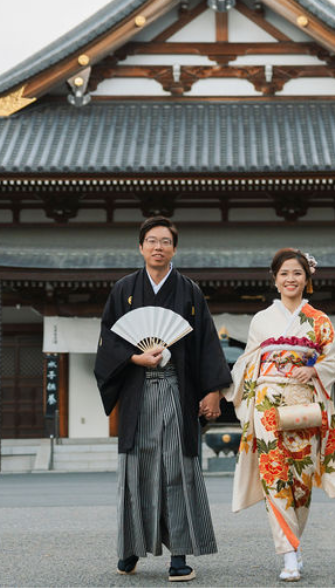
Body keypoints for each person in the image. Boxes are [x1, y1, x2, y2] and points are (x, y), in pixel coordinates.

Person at [94, 216, 232, 583]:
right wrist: (134, 357)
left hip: (174, 390)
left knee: (177, 470)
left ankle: (180, 556)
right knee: (135, 470)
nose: (158, 247)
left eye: (165, 241)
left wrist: (214, 389)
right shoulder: (123, 289)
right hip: (137, 392)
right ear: (140, 247)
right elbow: (108, 341)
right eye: (151, 240)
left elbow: (206, 343)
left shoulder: (189, 291)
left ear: (174, 247)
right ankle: (129, 549)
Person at [224, 248, 335, 582]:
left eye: (297, 273)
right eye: (284, 274)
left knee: (301, 478)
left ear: (307, 279)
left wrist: (315, 369)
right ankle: (288, 555)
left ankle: (295, 544)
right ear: (274, 279)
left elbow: (334, 359)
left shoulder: (319, 319)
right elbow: (247, 362)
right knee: (274, 476)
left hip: (304, 402)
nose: (290, 279)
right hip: (267, 404)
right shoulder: (262, 319)